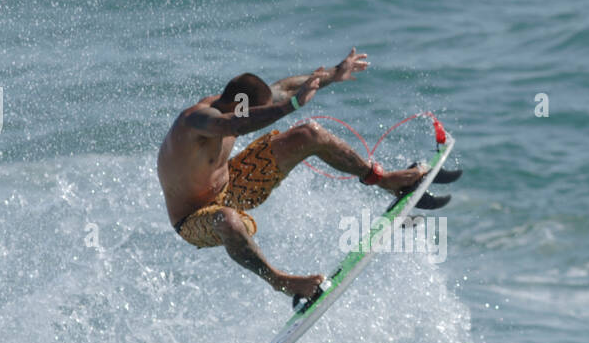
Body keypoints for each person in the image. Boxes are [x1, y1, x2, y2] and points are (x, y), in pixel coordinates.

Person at [157, 48, 426, 300]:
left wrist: (333, 73)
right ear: (238, 105)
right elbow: (236, 123)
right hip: (194, 219)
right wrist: (293, 105)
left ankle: (383, 180)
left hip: (234, 187)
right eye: (256, 111)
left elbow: (283, 89)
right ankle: (280, 281)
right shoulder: (196, 120)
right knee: (226, 220)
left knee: (309, 134)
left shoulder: (236, 104)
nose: (259, 114)